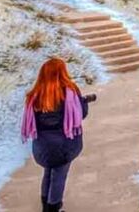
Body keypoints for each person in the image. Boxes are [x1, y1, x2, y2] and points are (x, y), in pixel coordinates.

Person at [20, 58, 94, 212]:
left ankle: (45, 204)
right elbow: (81, 114)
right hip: (64, 145)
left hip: (42, 147)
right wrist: (84, 102)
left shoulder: (34, 95)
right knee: (59, 174)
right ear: (62, 73)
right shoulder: (69, 91)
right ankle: (54, 207)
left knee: (48, 171)